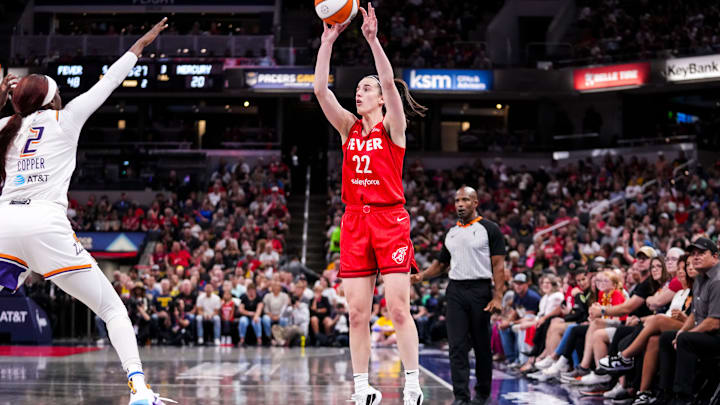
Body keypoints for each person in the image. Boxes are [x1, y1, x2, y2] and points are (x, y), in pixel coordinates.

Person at [0, 19, 169, 405]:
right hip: (44, 224)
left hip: (4, 223)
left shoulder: (6, 126)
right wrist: (139, 45)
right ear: (52, 100)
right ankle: (139, 389)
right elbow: (108, 82)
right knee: (112, 309)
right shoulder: (66, 119)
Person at [313, 3, 427, 404]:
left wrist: (373, 40)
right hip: (355, 223)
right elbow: (320, 91)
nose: (359, 93)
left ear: (380, 99)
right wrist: (327, 41)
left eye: (367, 89)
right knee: (357, 314)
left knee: (398, 309)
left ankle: (412, 384)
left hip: (389, 219)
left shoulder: (394, 128)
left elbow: (392, 85)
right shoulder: (347, 128)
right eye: (358, 89)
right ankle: (363, 389)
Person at [412, 187, 506, 405]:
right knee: (456, 346)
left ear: (475, 203)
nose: (460, 204)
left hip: (480, 290)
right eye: (457, 201)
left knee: (482, 345)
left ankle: (482, 394)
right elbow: (441, 264)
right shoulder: (451, 232)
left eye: (465, 200)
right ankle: (461, 397)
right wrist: (422, 276)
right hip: (455, 291)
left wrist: (498, 296)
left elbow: (499, 265)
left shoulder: (490, 229)